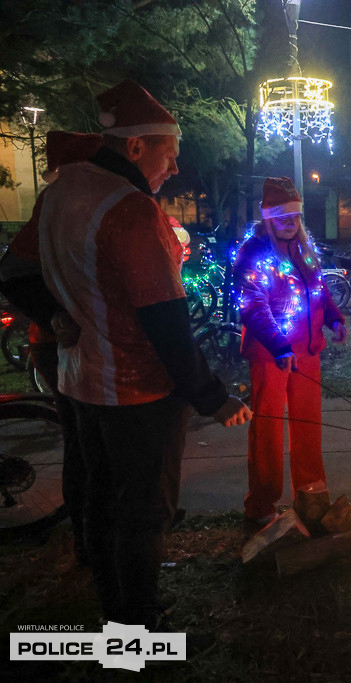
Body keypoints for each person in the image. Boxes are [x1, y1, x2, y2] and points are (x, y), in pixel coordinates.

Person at [36, 80, 251, 629]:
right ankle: (137, 636)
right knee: (143, 514)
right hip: (137, 392)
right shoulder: (131, 210)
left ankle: (117, 610)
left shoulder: (62, 191)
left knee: (104, 504)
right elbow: (166, 322)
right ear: (136, 148)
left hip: (81, 383)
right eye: (169, 153)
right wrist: (212, 397)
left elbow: (14, 271)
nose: (175, 168)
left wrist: (53, 314)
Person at [0, 130, 103, 565]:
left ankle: (96, 539)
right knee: (86, 447)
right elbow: (12, 271)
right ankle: (90, 542)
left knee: (92, 447)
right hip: (62, 348)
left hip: (84, 347)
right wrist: (54, 316)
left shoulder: (80, 203)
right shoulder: (57, 203)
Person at [235, 177, 346, 528]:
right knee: (267, 427)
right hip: (272, 353)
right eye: (283, 219)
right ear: (269, 219)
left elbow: (319, 289)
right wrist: (278, 344)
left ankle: (310, 493)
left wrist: (333, 318)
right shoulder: (254, 252)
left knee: (307, 424)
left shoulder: (303, 250)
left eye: (295, 218)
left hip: (307, 350)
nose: (291, 225)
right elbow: (252, 303)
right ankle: (262, 502)